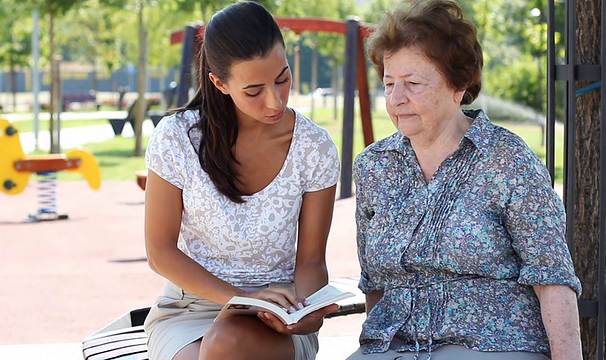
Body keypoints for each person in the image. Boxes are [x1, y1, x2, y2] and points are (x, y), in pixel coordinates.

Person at [347, 0, 582, 359]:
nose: (396, 99)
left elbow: (552, 277)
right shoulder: (373, 166)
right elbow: (376, 285)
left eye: (412, 83)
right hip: (398, 348)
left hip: (493, 346)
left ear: (458, 85)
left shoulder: (507, 158)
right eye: (389, 83)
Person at [142, 2, 341, 360]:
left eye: (283, 78)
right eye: (254, 90)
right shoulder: (176, 138)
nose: (275, 100)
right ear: (219, 83)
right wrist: (237, 297)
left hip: (274, 313)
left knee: (229, 343)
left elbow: (311, 262)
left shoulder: (314, 147)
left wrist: (307, 316)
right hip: (190, 309)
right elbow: (160, 252)